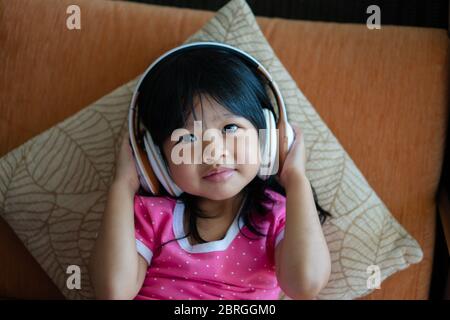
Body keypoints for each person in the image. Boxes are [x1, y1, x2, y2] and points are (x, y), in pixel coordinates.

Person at [89, 46, 331, 300]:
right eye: (188, 137)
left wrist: (296, 179)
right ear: (155, 158)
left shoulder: (278, 216)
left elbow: (305, 284)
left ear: (268, 138)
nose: (212, 153)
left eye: (230, 128)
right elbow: (112, 291)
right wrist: (123, 185)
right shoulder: (151, 216)